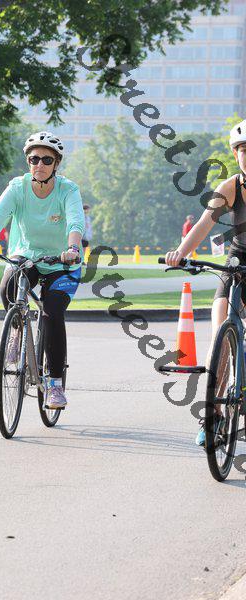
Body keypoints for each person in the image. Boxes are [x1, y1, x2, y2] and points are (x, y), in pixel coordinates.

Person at [0, 131, 85, 409]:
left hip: (63, 262)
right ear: (28, 162)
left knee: (52, 312)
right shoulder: (17, 187)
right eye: (34, 159)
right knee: (8, 287)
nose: (40, 164)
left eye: (47, 160)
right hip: (27, 256)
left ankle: (55, 385)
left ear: (56, 163)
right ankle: (17, 331)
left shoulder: (68, 190)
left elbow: (75, 222)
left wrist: (72, 248)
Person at [165, 119, 246, 446]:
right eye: (243, 150)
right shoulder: (230, 187)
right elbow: (203, 224)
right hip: (237, 263)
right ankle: (213, 415)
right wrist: (181, 254)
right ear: (236, 154)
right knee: (220, 335)